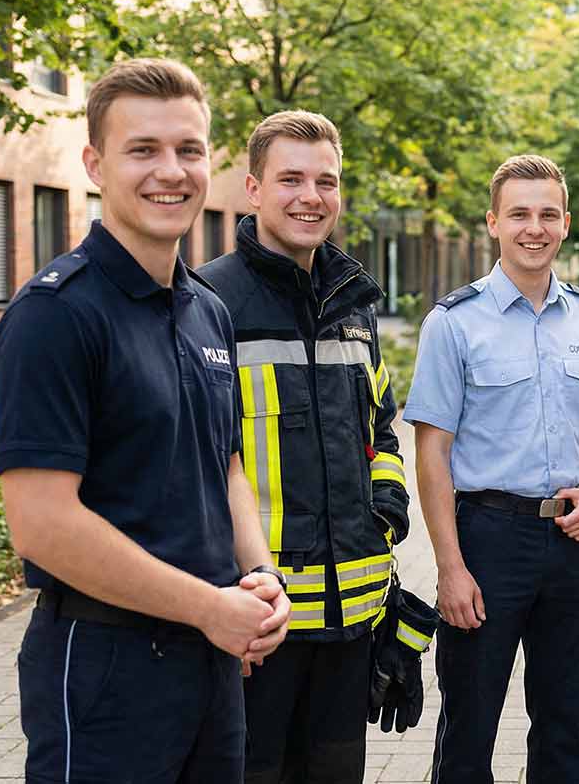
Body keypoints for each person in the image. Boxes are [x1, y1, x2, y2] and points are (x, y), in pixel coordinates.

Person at [0, 58, 290, 783]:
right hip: (105, 669)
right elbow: (41, 524)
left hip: (212, 663)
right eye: (143, 150)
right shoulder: (55, 316)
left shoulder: (207, 309)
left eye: (188, 149)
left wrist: (259, 575)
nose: (171, 171)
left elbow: (225, 463)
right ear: (95, 164)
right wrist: (209, 607)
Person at [198, 111, 409, 784]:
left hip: (353, 618)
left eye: (326, 181)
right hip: (260, 620)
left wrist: (385, 510)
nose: (310, 197)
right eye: (290, 179)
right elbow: (197, 460)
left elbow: (381, 427)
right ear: (253, 188)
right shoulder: (207, 301)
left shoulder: (354, 304)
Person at [405, 154, 579, 784]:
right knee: (469, 731)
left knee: (564, 731)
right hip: (487, 541)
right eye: (520, 214)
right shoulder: (453, 323)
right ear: (493, 223)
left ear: (565, 224)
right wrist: (450, 568)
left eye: (548, 214)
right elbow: (432, 453)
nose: (535, 228)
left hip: (573, 541)